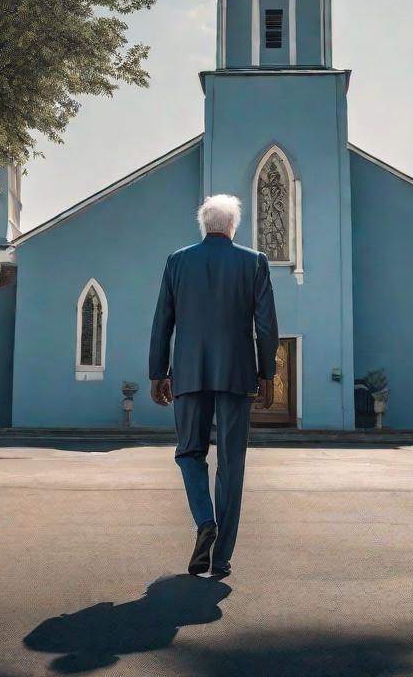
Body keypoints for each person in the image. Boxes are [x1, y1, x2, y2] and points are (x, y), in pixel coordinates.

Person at [149, 193, 279, 577]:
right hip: (237, 374)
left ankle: (205, 520)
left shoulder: (177, 262)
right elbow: (266, 324)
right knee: (231, 463)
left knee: (190, 452)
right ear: (233, 227)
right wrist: (268, 373)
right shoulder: (254, 262)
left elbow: (163, 322)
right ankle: (221, 557)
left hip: (189, 373)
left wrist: (159, 372)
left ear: (204, 226)